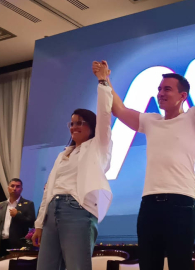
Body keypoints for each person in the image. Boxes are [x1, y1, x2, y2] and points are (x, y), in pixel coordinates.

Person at [92, 16, 195, 270]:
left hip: (181, 204)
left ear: (183, 96)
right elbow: (118, 109)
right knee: (149, 264)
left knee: (179, 264)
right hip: (150, 203)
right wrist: (104, 80)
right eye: (159, 89)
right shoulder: (151, 121)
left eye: (167, 89)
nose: (160, 93)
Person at [32, 72, 114, 270]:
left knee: (77, 267)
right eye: (72, 123)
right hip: (53, 210)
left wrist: (102, 82)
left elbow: (104, 115)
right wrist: (39, 223)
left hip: (77, 210)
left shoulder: (98, 146)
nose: (74, 127)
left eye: (80, 122)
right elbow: (49, 190)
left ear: (91, 126)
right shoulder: (63, 155)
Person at [0, 178, 35, 258]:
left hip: (18, 243)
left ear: (21, 189)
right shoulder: (1, 205)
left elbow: (31, 223)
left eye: (17, 186)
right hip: (1, 242)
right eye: (12, 186)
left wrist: (18, 215)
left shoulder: (28, 204)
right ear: (8, 188)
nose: (14, 188)